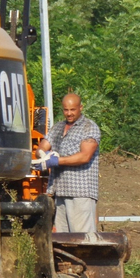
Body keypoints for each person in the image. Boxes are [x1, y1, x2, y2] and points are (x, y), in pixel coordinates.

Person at [34, 93, 100, 233]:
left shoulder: (89, 128)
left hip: (80, 192)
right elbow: (42, 147)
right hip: (60, 192)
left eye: (72, 110)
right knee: (62, 239)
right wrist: (42, 156)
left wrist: (57, 161)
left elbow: (85, 156)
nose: (69, 113)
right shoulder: (58, 127)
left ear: (80, 108)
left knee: (82, 239)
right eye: (66, 110)